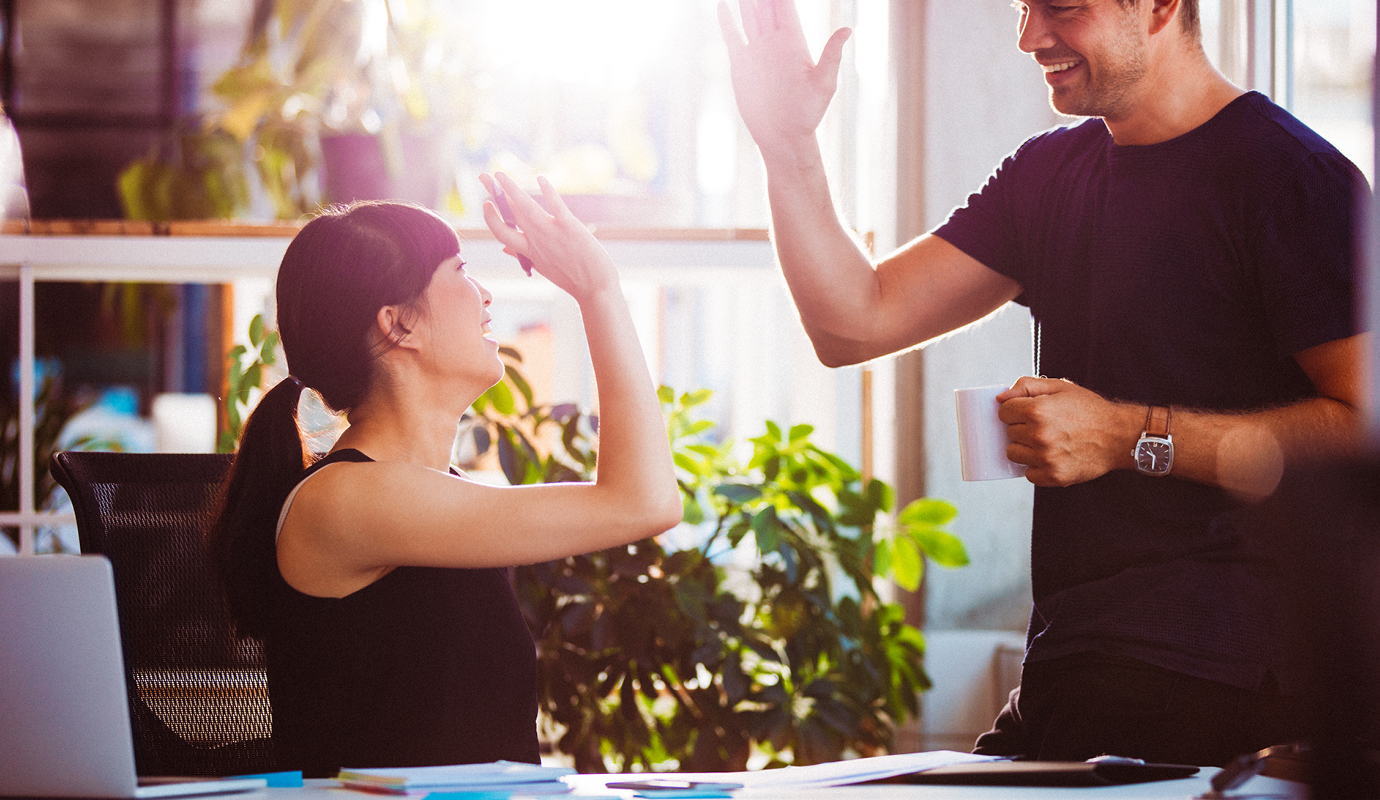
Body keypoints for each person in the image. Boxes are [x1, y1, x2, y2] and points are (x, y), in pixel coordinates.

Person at [718, 0, 1367, 766]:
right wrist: (788, 143)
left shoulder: (1296, 182)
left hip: (1231, 675)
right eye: (1025, 7)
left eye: (1061, 8)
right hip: (1077, 661)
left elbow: (1366, 426)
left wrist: (1128, 434)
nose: (1029, 37)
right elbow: (852, 322)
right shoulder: (1049, 172)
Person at [210, 174, 682, 777]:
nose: (486, 294)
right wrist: (598, 292)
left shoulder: (433, 492)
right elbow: (643, 503)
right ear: (397, 323)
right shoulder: (349, 498)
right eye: (460, 271)